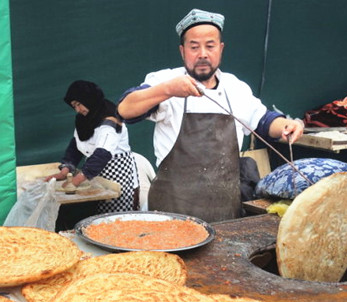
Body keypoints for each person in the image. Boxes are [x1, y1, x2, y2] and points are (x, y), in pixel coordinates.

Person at [117, 8, 304, 223]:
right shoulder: (166, 80)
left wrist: (285, 126)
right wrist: (167, 90)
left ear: (221, 49)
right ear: (182, 51)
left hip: (224, 215)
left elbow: (263, 122)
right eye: (194, 47)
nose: (202, 54)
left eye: (210, 46)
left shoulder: (235, 87)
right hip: (171, 215)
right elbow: (125, 109)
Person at [46, 80, 139, 228]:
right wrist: (65, 170)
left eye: (79, 104)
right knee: (92, 220)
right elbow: (76, 146)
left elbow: (102, 154)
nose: (77, 110)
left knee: (111, 221)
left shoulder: (111, 119)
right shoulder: (85, 120)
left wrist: (75, 182)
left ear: (88, 99)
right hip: (93, 172)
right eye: (74, 106)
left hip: (116, 173)